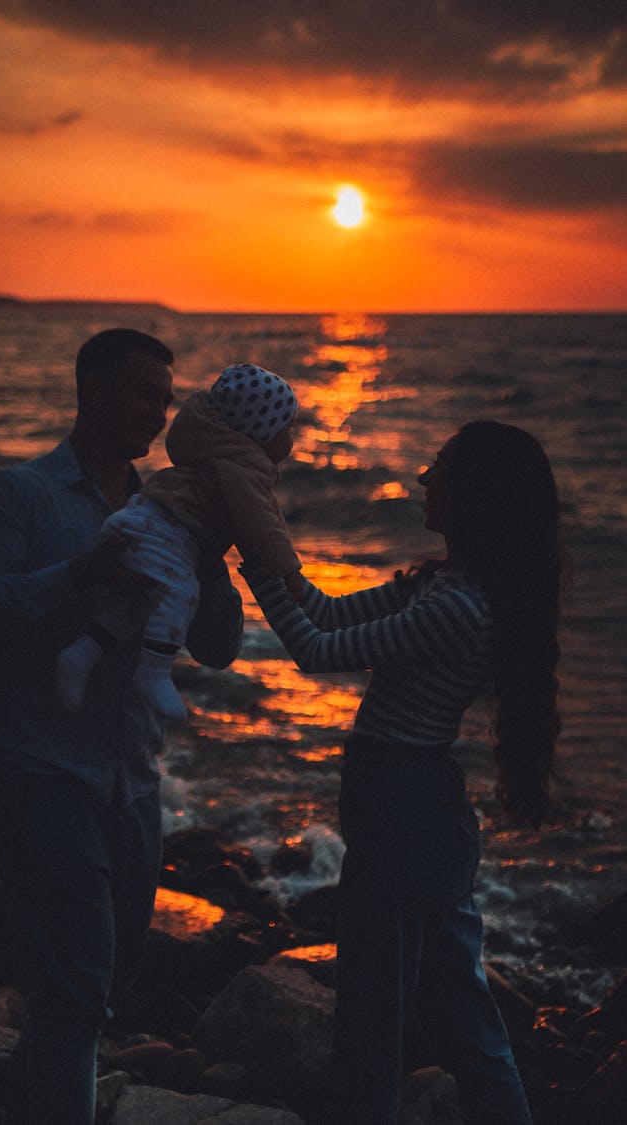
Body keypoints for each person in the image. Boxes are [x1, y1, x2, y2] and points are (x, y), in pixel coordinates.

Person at [0, 328, 244, 1125]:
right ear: (93, 390)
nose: (160, 410)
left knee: (103, 981)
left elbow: (217, 646)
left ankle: (31, 1091)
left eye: (168, 397)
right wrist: (82, 573)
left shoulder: (171, 512)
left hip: (134, 782)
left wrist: (212, 553)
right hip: (40, 771)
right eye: (146, 392)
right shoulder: (17, 498)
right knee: (76, 990)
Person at [240, 420, 561, 1125]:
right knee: (460, 1009)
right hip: (421, 809)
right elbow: (323, 610)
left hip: (403, 810)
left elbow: (316, 650)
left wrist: (255, 564)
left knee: (372, 1015)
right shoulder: (439, 586)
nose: (422, 476)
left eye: (439, 466)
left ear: (474, 494)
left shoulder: (453, 608)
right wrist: (271, 548)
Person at [56, 362, 301, 721]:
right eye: (287, 428)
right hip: (165, 533)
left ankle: (82, 653)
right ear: (262, 433)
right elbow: (261, 525)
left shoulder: (225, 464)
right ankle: (152, 673)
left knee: (132, 606)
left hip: (148, 523)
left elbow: (262, 521)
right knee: (181, 592)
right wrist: (289, 573)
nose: (293, 437)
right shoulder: (238, 472)